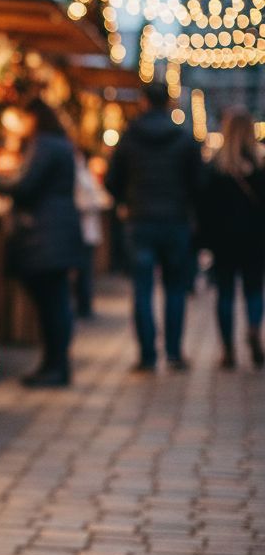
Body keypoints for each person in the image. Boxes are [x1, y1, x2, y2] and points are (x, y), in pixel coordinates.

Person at [105, 82, 203, 371]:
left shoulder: (129, 137)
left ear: (144, 101)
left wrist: (126, 200)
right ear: (169, 103)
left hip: (140, 221)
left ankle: (147, 354)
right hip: (175, 222)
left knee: (142, 288)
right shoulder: (185, 138)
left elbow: (112, 181)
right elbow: (198, 183)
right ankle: (173, 352)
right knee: (175, 288)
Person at [0, 98, 82, 386]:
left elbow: (25, 185)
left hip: (45, 232)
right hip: (58, 229)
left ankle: (55, 367)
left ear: (35, 118)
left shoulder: (44, 145)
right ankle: (55, 365)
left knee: (51, 303)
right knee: (55, 301)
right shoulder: (60, 144)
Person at [198, 107, 265, 368]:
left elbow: (204, 208)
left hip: (224, 241)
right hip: (255, 240)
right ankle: (253, 329)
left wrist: (206, 239)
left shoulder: (216, 167)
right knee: (253, 290)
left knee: (224, 293)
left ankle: (228, 350)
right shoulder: (260, 167)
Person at [73, 148, 110, 318]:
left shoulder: (81, 175)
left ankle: (84, 304)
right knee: (83, 268)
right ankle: (84, 303)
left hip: (83, 228)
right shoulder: (82, 175)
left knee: (84, 268)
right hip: (83, 228)